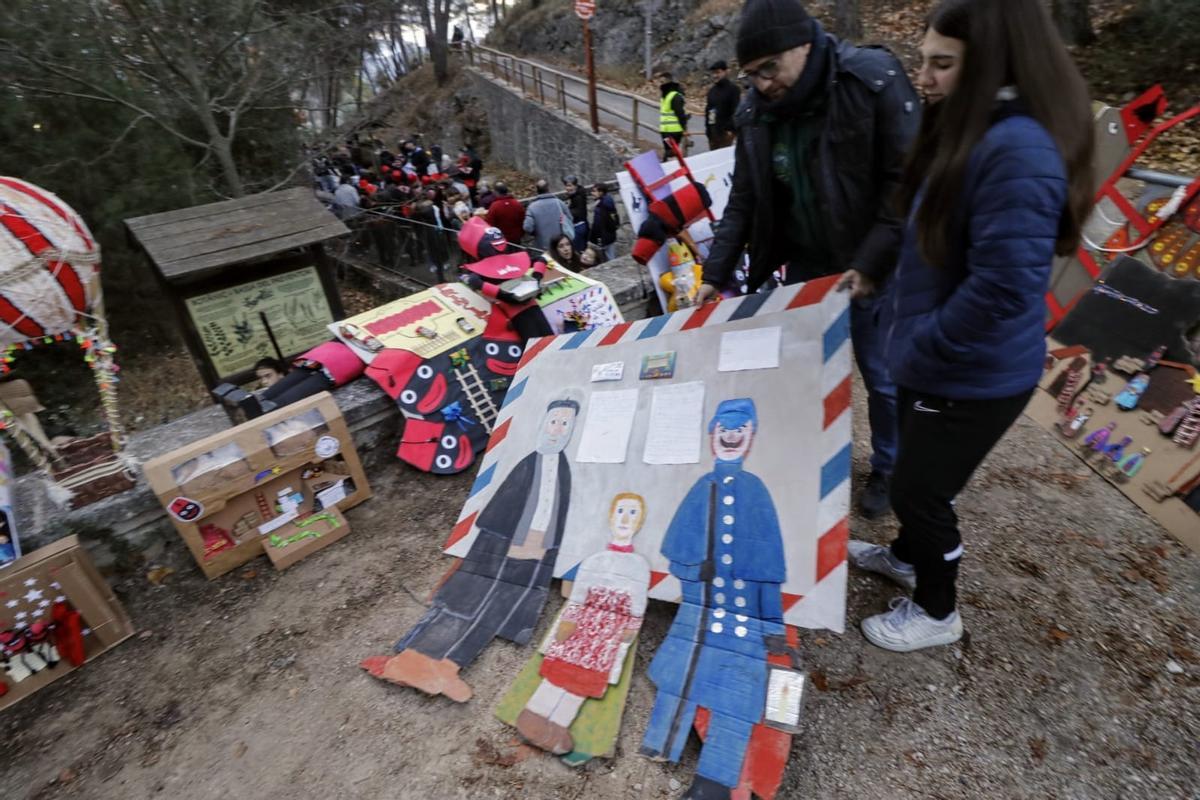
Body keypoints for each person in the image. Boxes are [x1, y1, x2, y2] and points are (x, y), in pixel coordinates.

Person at [848, 0, 1094, 652]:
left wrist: (924, 341)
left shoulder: (1016, 149)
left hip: (969, 372)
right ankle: (906, 556)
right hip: (941, 360)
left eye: (942, 64)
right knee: (917, 483)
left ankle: (936, 610)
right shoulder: (976, 128)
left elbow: (1005, 287)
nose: (923, 77)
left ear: (990, 64)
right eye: (923, 61)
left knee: (921, 489)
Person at [695, 0, 920, 520]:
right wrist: (716, 274)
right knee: (803, 370)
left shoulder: (871, 82)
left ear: (804, 43)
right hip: (804, 267)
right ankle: (813, 459)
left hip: (873, 263)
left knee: (881, 375)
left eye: (769, 68)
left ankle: (889, 465)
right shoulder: (753, 112)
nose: (762, 84)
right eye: (751, 75)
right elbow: (744, 201)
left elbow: (905, 187)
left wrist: (869, 265)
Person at [362, 395, 581, 701]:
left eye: (565, 424)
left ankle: (449, 667)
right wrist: (509, 541)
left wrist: (544, 544)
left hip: (536, 549)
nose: (557, 429)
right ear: (544, 424)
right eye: (554, 422)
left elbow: (558, 509)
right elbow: (502, 507)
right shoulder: (528, 464)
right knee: (468, 600)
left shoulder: (564, 469)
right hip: (503, 542)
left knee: (499, 606)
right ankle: (409, 663)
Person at [640, 399, 787, 800]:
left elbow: (769, 563)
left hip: (745, 618)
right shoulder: (701, 487)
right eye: (724, 427)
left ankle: (714, 783)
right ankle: (662, 744)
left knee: (736, 701)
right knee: (678, 680)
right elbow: (678, 545)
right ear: (712, 435)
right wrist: (693, 569)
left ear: (751, 437)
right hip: (698, 612)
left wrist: (772, 630)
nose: (732, 435)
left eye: (741, 429)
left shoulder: (756, 491)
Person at [516, 492, 650, 755]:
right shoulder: (594, 561)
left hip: (607, 638)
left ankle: (558, 726)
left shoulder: (639, 567)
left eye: (632, 513)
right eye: (621, 511)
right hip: (582, 630)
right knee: (560, 674)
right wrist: (568, 622)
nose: (625, 518)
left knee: (583, 683)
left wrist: (629, 630)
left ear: (639, 522)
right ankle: (534, 716)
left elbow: (637, 607)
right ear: (611, 516)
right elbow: (577, 597)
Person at [523, 179, 573, 252]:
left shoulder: (532, 207)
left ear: (537, 190)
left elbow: (527, 228)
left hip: (542, 245)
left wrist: (535, 232)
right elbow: (570, 218)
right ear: (548, 188)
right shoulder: (559, 203)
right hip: (560, 244)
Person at [704, 60, 741, 150]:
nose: (715, 76)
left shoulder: (733, 89)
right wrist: (708, 130)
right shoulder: (712, 91)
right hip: (713, 133)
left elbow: (736, 110)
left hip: (725, 133)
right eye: (713, 73)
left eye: (718, 72)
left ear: (726, 71)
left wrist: (730, 130)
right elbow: (708, 110)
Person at [658, 71, 690, 160]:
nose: (660, 84)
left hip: (673, 132)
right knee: (669, 152)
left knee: (671, 153)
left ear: (668, 81)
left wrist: (683, 127)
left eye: (662, 82)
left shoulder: (674, 96)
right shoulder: (665, 95)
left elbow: (680, 113)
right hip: (665, 131)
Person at [588, 183, 620, 261]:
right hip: (609, 237)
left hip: (604, 238)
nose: (592, 193)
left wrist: (593, 238)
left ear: (601, 192)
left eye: (594, 191)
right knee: (611, 257)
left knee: (607, 260)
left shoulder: (601, 207)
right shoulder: (606, 202)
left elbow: (598, 225)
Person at [563, 175, 590, 251]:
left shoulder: (577, 197)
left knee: (578, 251)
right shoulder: (575, 195)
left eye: (570, 186)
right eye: (566, 186)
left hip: (579, 227)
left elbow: (578, 212)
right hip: (581, 226)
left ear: (575, 186)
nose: (568, 188)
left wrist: (566, 210)